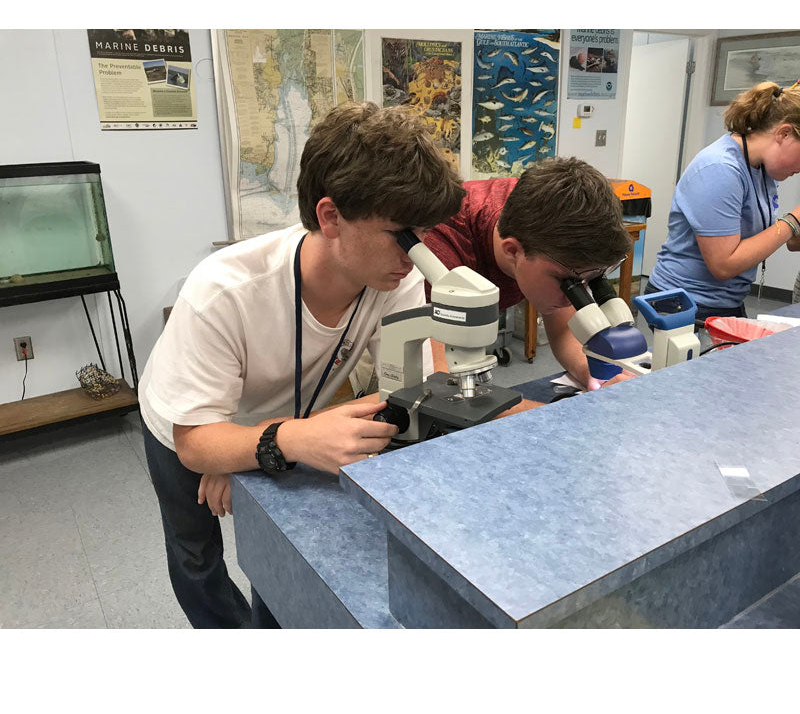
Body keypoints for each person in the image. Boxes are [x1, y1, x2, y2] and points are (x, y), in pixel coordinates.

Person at [138, 101, 465, 629]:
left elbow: (410, 390)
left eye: (425, 232)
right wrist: (250, 449)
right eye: (402, 234)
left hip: (291, 411)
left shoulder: (396, 277)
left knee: (276, 547)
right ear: (331, 216)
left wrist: (263, 449)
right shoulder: (224, 290)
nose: (416, 253)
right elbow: (196, 443)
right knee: (195, 555)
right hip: (185, 418)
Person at [423, 157, 633, 391]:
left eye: (588, 279)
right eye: (569, 283)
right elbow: (439, 380)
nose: (573, 296)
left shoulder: (546, 218)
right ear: (512, 250)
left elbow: (564, 328)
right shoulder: (439, 250)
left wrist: (597, 377)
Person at [647, 81, 800, 325]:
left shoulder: (760, 169)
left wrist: (794, 229)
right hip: (687, 303)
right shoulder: (720, 169)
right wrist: (794, 220)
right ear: (783, 133)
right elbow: (724, 265)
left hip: (726, 301)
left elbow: (779, 238)